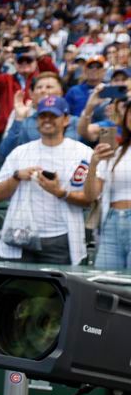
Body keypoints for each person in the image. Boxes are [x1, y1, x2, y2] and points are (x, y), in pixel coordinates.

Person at [0, 96, 94, 265]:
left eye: (53, 116)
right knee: (17, 289)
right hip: (20, 236)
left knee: (58, 290)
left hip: (61, 238)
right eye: (42, 116)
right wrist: (17, 176)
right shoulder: (21, 152)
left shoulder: (83, 153)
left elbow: (89, 200)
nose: (47, 120)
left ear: (66, 119)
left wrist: (59, 192)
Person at [82, 102, 131, 270]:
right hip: (111, 223)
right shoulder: (114, 152)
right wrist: (94, 164)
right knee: (105, 284)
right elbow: (90, 196)